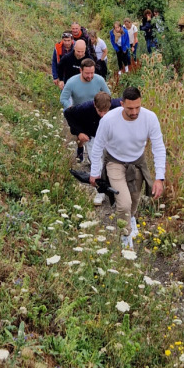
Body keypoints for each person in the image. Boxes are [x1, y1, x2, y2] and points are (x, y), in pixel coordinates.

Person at [89, 85, 166, 248]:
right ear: (122, 104)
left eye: (137, 107)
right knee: (123, 203)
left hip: (137, 162)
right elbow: (97, 147)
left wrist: (160, 178)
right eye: (130, 108)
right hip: (114, 162)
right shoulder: (108, 120)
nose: (134, 112)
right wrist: (94, 173)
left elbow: (158, 147)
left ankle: (131, 217)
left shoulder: (150, 118)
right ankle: (125, 237)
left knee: (134, 200)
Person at [64, 90, 120, 169]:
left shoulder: (117, 105)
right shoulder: (85, 107)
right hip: (92, 135)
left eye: (105, 112)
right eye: (100, 111)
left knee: (110, 162)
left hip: (108, 136)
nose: (102, 115)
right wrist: (79, 132)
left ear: (110, 105)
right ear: (94, 105)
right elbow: (68, 113)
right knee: (97, 164)